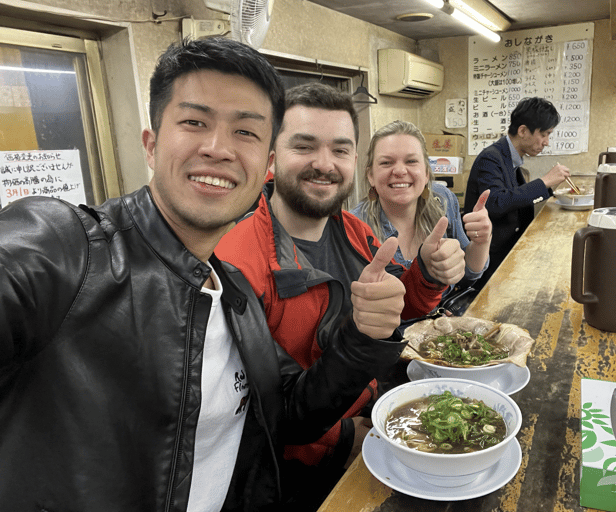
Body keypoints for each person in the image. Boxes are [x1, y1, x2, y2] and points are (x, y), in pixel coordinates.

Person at [0, 37, 410, 512]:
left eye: (246, 132)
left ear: (266, 167)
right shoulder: (69, 250)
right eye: (194, 122)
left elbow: (291, 414)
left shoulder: (231, 293)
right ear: (151, 145)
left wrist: (364, 337)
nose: (218, 148)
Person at [215, 83, 465, 510]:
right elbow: (267, 412)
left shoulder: (353, 230)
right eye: (305, 146)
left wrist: (427, 271)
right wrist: (347, 438)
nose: (324, 164)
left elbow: (396, 307)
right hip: (296, 472)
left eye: (341, 150)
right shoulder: (235, 263)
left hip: (369, 413)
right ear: (272, 158)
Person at [351, 120, 492, 306]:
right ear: (370, 176)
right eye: (386, 162)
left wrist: (481, 242)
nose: (400, 170)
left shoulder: (443, 200)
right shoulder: (354, 226)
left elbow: (467, 275)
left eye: (411, 161)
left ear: (426, 172)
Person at [464, 97, 571, 290]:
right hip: (491, 256)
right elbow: (496, 203)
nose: (546, 142)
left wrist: (546, 187)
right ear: (522, 131)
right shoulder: (491, 158)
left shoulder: (511, 158)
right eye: (545, 134)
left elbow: (514, 196)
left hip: (508, 248)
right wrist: (545, 181)